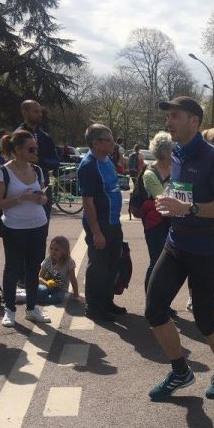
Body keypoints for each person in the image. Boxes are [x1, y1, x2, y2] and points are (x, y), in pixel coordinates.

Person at [144, 96, 214, 402]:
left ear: (193, 121)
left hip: (204, 249)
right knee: (154, 309)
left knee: (203, 319)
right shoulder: (177, 153)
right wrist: (170, 204)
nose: (168, 121)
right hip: (175, 243)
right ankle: (180, 370)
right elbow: (182, 195)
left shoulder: (213, 158)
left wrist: (189, 209)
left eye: (174, 116)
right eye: (168, 116)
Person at [0, 130, 51, 327]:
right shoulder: (3, 172)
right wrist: (20, 198)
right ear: (17, 150)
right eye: (31, 148)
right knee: (13, 269)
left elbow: (44, 198)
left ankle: (32, 308)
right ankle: (9, 310)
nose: (35, 151)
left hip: (38, 225)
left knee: (34, 269)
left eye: (36, 148)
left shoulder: (38, 170)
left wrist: (40, 198)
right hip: (14, 228)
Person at [77, 124, 126, 322]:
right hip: (101, 223)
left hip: (114, 222)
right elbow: (88, 203)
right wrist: (96, 232)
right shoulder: (89, 165)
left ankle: (107, 301)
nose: (113, 142)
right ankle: (94, 307)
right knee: (98, 266)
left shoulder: (107, 160)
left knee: (112, 265)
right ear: (96, 143)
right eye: (108, 139)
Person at [185, 127, 214, 312]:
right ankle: (194, 298)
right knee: (197, 265)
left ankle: (210, 296)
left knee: (213, 265)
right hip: (201, 223)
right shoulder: (201, 162)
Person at [140, 132, 174, 292]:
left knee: (168, 265)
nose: (175, 152)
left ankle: (162, 304)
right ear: (165, 152)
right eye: (173, 149)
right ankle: (151, 302)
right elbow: (163, 200)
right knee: (156, 262)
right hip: (155, 224)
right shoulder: (149, 174)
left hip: (172, 222)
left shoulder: (175, 169)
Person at [16, 100, 60, 220]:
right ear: (24, 112)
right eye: (36, 111)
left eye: (40, 112)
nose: (40, 114)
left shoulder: (45, 137)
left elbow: (56, 161)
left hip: (43, 185)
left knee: (43, 222)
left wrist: (40, 161)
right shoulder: (17, 136)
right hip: (21, 184)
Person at [37, 236, 78, 305]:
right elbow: (39, 277)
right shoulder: (47, 261)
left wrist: (76, 294)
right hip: (47, 286)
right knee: (41, 290)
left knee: (58, 298)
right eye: (51, 249)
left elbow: (73, 279)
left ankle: (37, 299)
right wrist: (46, 283)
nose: (53, 251)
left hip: (60, 289)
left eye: (56, 250)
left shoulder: (69, 263)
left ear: (65, 251)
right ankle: (35, 297)